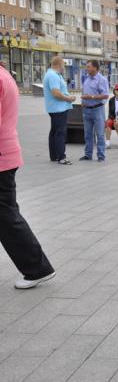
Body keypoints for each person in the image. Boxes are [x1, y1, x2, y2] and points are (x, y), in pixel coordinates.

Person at [0, 65, 56, 289]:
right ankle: (36, 268)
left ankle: (37, 268)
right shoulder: (4, 74)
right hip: (6, 153)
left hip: (1, 157)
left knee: (6, 217)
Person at [43, 56, 75, 165]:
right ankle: (61, 157)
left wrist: (67, 96)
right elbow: (56, 93)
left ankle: (54, 155)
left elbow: (59, 91)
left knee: (54, 132)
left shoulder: (54, 74)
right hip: (58, 108)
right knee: (60, 133)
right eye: (63, 65)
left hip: (56, 108)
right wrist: (68, 98)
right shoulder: (53, 75)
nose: (64, 67)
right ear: (58, 64)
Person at [79, 60, 109, 162]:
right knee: (87, 134)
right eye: (86, 67)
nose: (87, 69)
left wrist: (91, 97)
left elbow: (105, 95)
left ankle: (101, 155)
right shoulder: (86, 79)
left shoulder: (102, 80)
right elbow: (84, 92)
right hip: (86, 110)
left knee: (100, 134)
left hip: (97, 109)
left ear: (95, 68)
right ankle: (88, 154)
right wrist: (83, 101)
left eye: (88, 67)